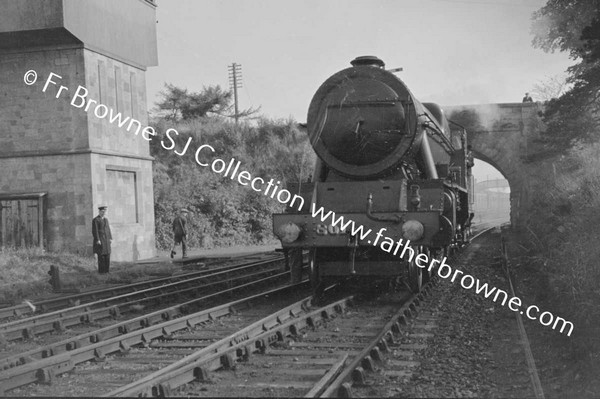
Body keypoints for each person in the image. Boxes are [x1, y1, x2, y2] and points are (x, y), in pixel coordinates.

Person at [92, 206, 112, 274]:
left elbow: (108, 229)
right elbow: (95, 231)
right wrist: (98, 239)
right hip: (100, 241)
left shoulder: (106, 220)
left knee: (107, 256)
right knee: (101, 257)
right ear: (99, 212)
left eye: (104, 212)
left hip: (106, 241)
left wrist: (110, 238)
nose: (104, 213)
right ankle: (101, 272)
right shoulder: (96, 220)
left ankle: (107, 271)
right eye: (102, 212)